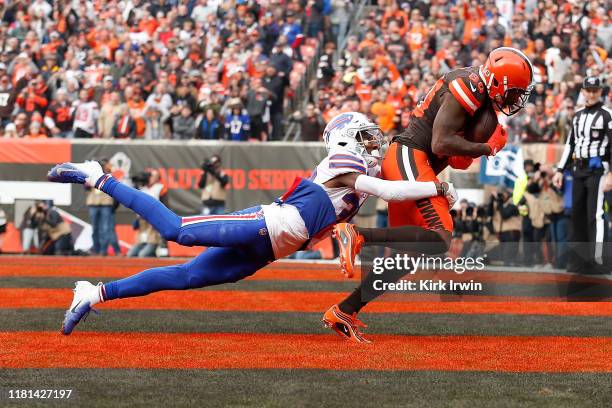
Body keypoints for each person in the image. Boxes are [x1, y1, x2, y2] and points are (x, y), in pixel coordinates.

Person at [47, 112, 457, 335]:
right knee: (176, 231)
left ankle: (95, 292)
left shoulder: (364, 178)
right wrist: (435, 187)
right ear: (348, 140)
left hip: (272, 248)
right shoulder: (343, 163)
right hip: (268, 223)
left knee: (186, 277)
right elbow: (395, 192)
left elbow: (400, 188)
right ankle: (97, 175)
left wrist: (441, 189)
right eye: (366, 136)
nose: (374, 143)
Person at [324, 47, 534, 342]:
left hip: (415, 160)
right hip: (411, 154)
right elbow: (440, 143)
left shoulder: (480, 98)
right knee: (440, 236)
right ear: (498, 80)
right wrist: (486, 148)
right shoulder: (470, 85)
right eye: (514, 92)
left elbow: (458, 160)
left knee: (405, 259)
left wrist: (478, 144)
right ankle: (357, 234)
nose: (516, 99)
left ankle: (345, 311)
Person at [552, 77, 612, 274]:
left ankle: (599, 261)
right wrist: (560, 170)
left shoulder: (608, 115)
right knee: (576, 214)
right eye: (589, 90)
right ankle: (579, 261)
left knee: (595, 215)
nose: (592, 93)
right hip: (579, 169)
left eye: (595, 90)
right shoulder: (577, 116)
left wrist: (611, 173)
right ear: (584, 92)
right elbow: (570, 145)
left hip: (598, 170)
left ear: (601, 92)